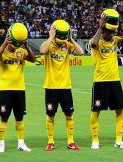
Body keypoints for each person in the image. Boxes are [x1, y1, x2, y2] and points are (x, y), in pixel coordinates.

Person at [89, 9, 123, 149]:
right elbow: (93, 44)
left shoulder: (115, 40)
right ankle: (95, 140)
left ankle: (119, 140)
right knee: (96, 111)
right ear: (104, 30)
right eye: (110, 32)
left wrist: (121, 28)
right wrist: (100, 28)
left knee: (120, 111)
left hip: (115, 81)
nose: (111, 34)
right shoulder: (96, 40)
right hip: (100, 81)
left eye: (112, 32)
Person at [40, 19, 84, 151]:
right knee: (51, 114)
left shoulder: (67, 45)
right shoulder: (48, 45)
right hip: (51, 86)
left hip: (65, 86)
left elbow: (81, 52)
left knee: (69, 114)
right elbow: (42, 51)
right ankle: (50, 141)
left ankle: (70, 141)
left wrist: (70, 38)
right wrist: (50, 37)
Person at [0, 23, 36, 153]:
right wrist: (4, 43)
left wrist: (27, 46)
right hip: (5, 89)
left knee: (20, 117)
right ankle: (1, 143)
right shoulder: (2, 52)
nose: (16, 45)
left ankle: (21, 143)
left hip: (19, 89)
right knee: (4, 117)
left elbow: (33, 59)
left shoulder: (21, 52)